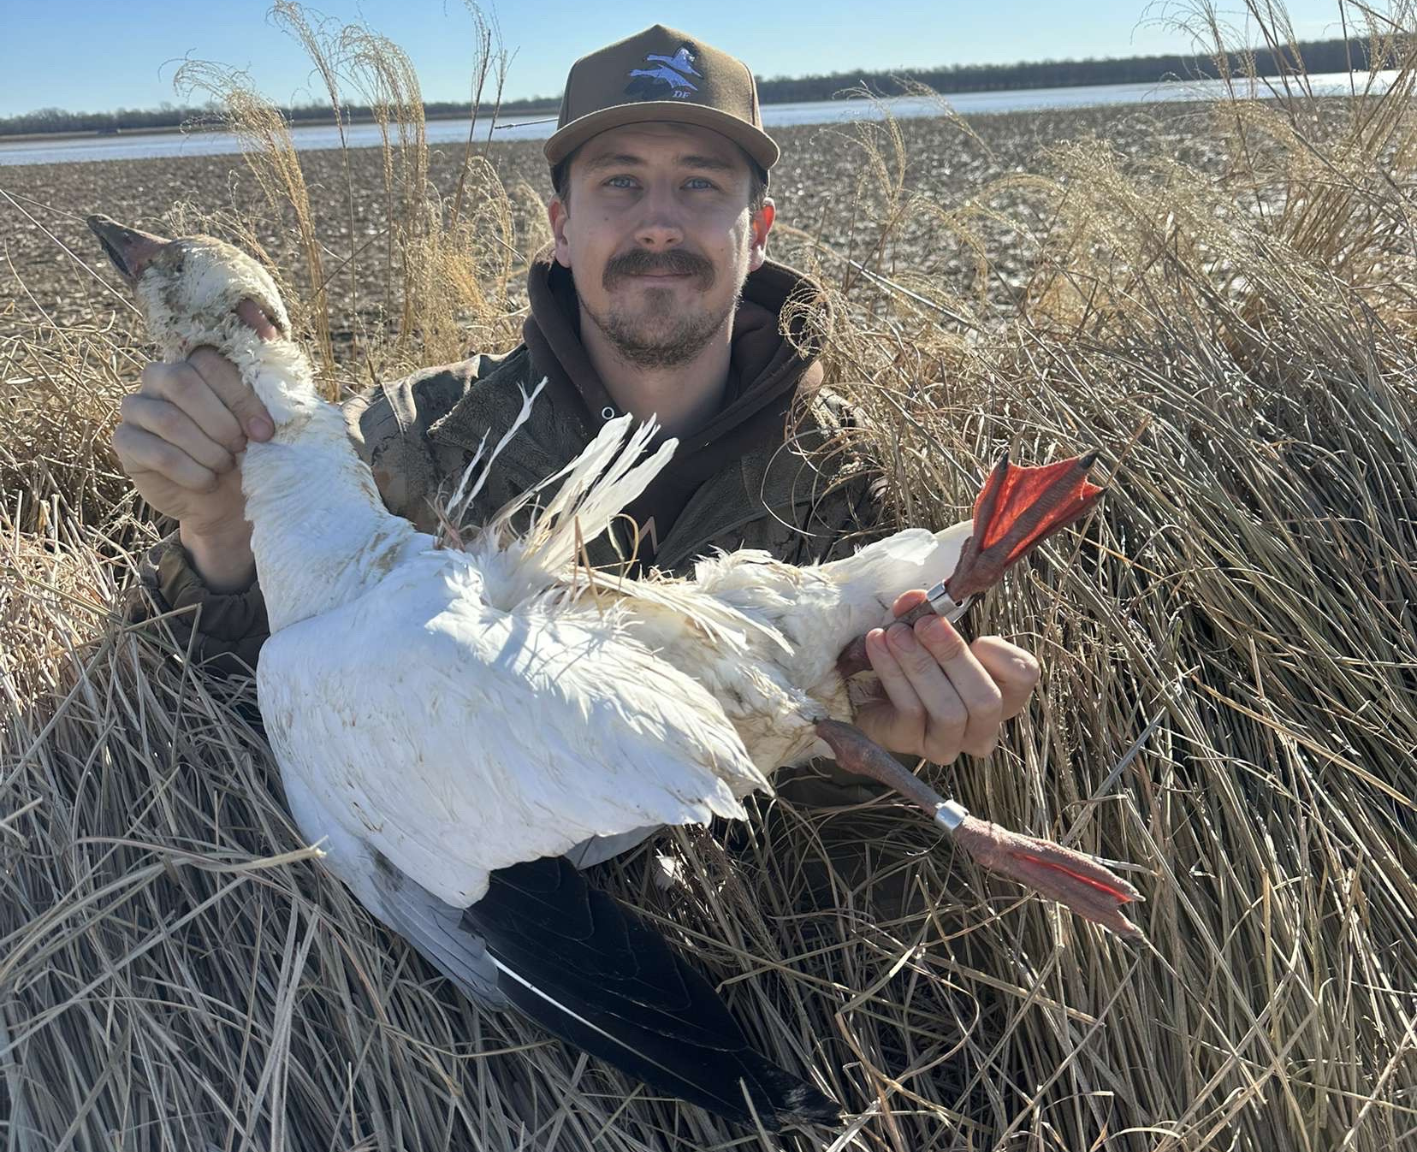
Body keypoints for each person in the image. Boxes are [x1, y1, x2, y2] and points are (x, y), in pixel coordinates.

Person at [112, 25, 1041, 865]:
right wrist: (219, 540)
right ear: (561, 227)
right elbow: (240, 725)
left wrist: (917, 732)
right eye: (620, 183)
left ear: (755, 235)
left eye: (699, 185)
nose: (657, 223)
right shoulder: (398, 443)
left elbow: (854, 848)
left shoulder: (844, 473)